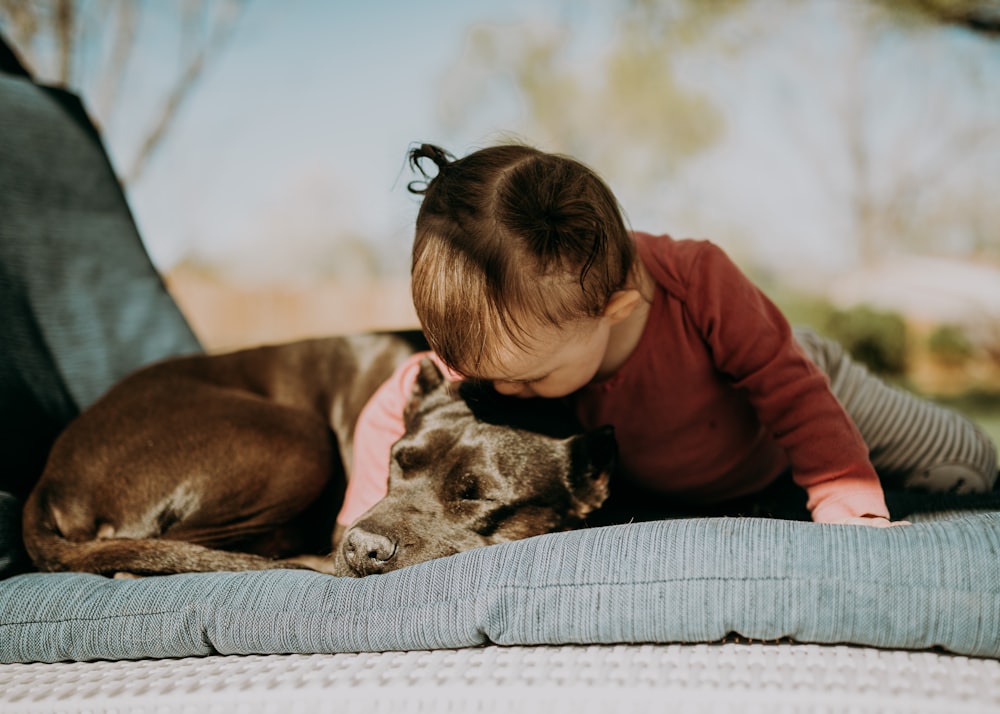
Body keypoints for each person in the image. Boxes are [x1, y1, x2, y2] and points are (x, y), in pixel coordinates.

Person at [335, 142, 997, 531]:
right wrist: (359, 517)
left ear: (616, 309)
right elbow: (396, 398)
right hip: (702, 473)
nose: (505, 391)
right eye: (482, 373)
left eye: (530, 379)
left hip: (806, 384)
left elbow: (788, 386)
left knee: (967, 468)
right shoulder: (507, 349)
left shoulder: (698, 280)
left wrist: (840, 487)